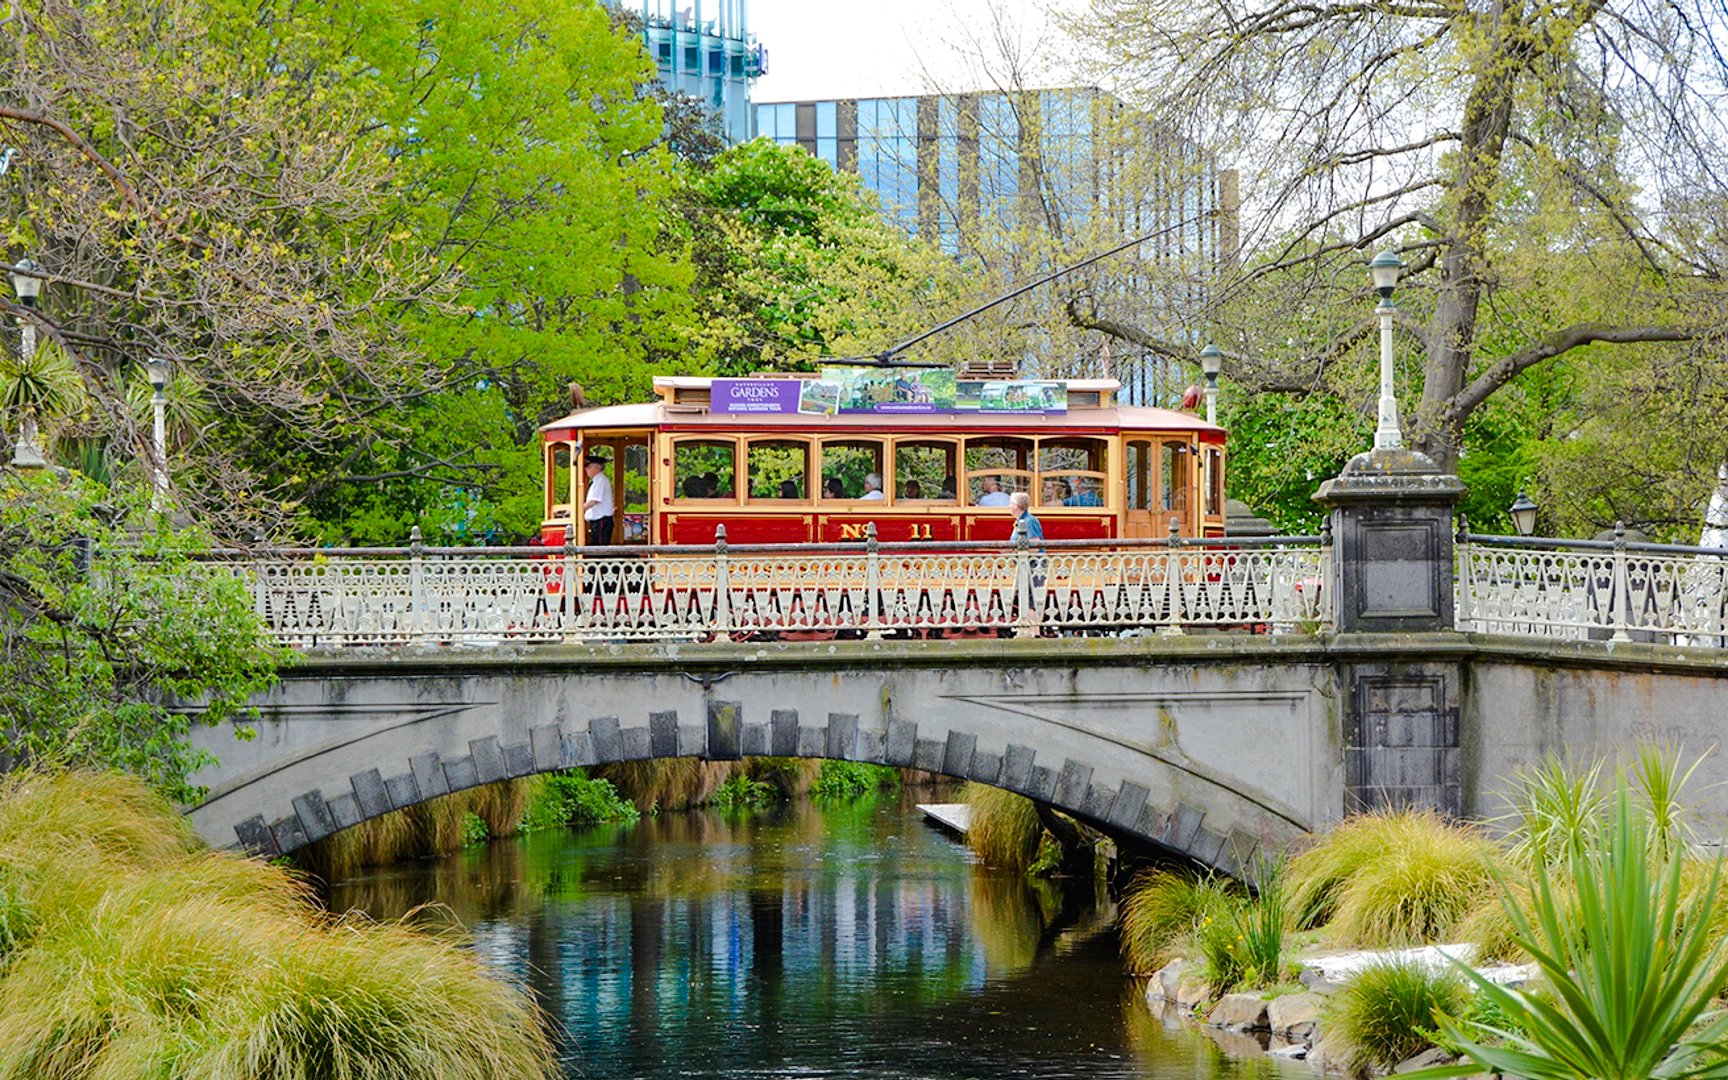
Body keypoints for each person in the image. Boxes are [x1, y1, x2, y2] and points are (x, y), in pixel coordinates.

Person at [582, 455, 614, 545]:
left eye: (588, 467)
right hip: (598, 521)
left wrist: (577, 511)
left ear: (596, 467)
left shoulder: (600, 480)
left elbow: (593, 501)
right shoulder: (597, 481)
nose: (586, 470)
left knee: (600, 549)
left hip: (601, 521)